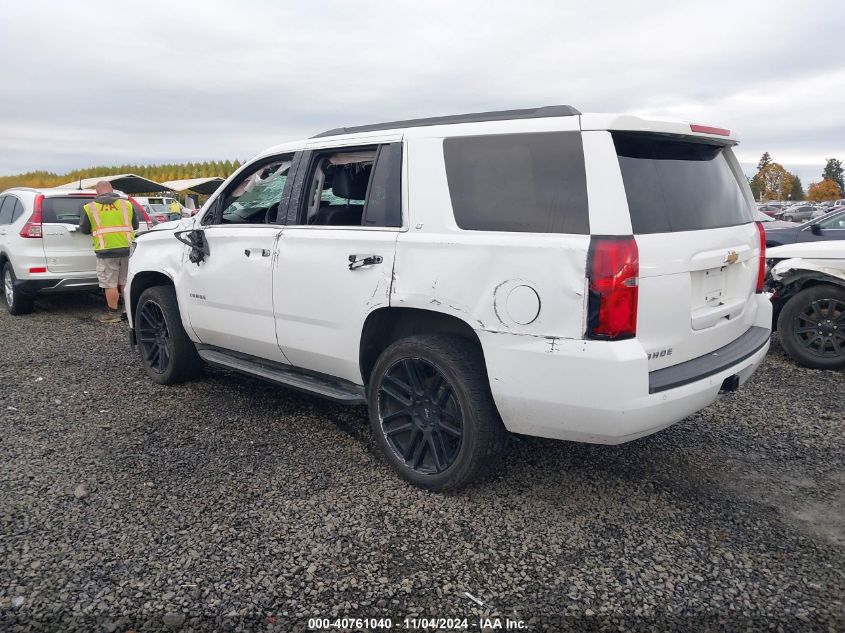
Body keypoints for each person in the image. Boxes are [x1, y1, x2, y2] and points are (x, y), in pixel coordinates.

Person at [79, 181, 139, 323]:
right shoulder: (127, 204)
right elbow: (135, 225)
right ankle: (128, 311)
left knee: (110, 284)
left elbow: (84, 229)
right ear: (112, 190)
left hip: (106, 251)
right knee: (125, 281)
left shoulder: (90, 208)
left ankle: (113, 314)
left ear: (97, 192)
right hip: (127, 248)